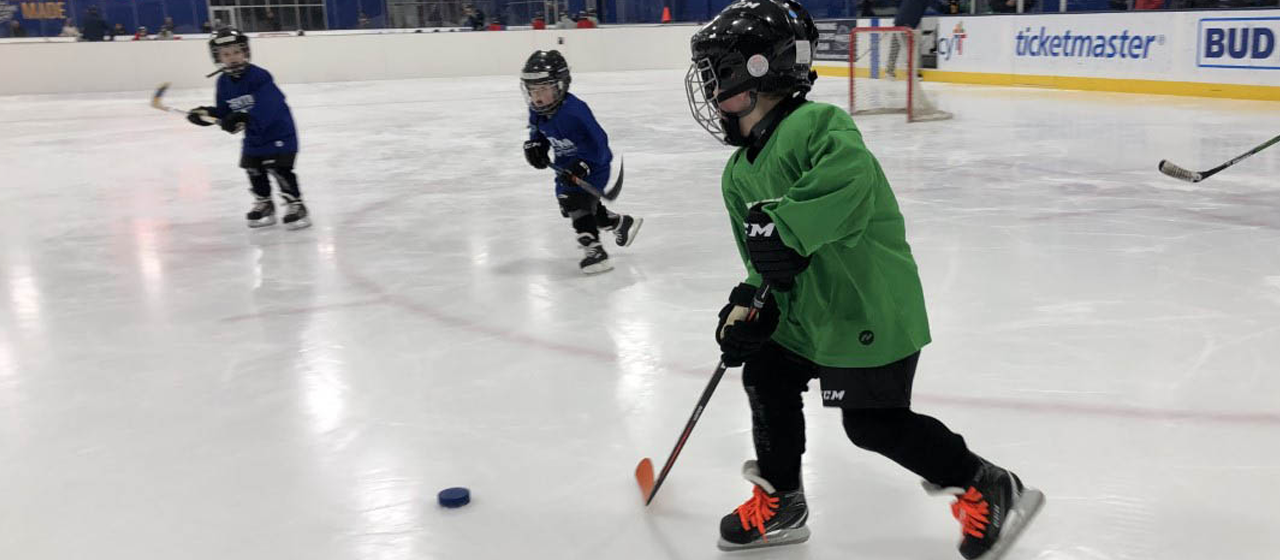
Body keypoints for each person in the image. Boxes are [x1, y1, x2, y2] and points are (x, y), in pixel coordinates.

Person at [685, 0, 1045, 557]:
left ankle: (987, 484)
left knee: (872, 424)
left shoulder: (818, 126)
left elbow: (845, 185)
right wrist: (751, 306)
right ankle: (783, 501)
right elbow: (764, 260)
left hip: (864, 306)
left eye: (716, 77)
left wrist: (785, 230)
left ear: (757, 71)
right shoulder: (737, 174)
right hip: (809, 314)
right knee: (766, 371)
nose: (710, 94)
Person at [520, 50, 642, 274]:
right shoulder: (536, 111)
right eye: (533, 90)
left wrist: (584, 166)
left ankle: (595, 252)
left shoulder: (575, 112)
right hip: (565, 166)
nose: (537, 96)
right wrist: (535, 146)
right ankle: (618, 223)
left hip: (594, 165)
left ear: (560, 86)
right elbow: (537, 133)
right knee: (573, 208)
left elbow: (600, 144)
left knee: (574, 202)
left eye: (543, 89)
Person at [186, 28, 311, 230]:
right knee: (253, 168)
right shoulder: (223, 83)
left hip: (278, 132)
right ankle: (264, 203)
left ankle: (296, 204)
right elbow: (225, 111)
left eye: (236, 52)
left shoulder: (260, 76)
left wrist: (243, 117)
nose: (233, 58)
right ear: (217, 57)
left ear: (245, 52)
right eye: (226, 54)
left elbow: (270, 105)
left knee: (279, 168)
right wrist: (206, 115)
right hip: (254, 136)